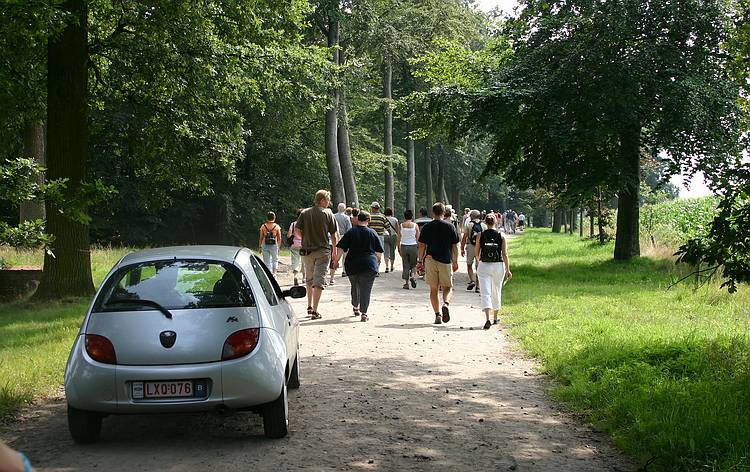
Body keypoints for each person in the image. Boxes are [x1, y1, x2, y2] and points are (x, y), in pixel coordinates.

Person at [295, 190, 338, 320]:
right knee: (319, 281)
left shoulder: (304, 213)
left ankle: (308, 306)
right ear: (322, 200)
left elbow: (297, 230)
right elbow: (334, 234)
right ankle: (315, 310)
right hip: (323, 251)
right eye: (328, 199)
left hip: (307, 251)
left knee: (309, 279)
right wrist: (335, 252)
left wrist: (305, 238)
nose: (329, 202)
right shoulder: (328, 213)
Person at [336, 211, 384, 322]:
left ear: (358, 219)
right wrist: (377, 261)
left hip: (352, 264)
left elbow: (342, 247)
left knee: (355, 285)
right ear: (368, 220)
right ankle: (364, 313)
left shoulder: (351, 232)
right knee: (366, 289)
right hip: (369, 265)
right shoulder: (372, 233)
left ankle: (355, 306)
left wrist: (336, 260)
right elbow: (378, 251)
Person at [417, 202, 460, 325]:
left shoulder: (427, 227)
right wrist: (455, 261)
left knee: (433, 289)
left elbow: (421, 245)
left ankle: (437, 315)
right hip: (446, 260)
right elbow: (454, 246)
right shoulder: (450, 227)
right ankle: (445, 303)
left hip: (430, 260)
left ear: (433, 212)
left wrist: (420, 261)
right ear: (444, 213)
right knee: (447, 287)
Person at [475, 213, 512, 329]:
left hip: (484, 265)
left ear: (485, 223)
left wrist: (480, 260)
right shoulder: (501, 235)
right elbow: (504, 254)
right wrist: (508, 269)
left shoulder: (480, 235)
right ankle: (495, 317)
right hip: (498, 265)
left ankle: (487, 318)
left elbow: (477, 254)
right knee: (496, 290)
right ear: (496, 222)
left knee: (485, 292)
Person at [461, 209, 484, 293]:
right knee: (479, 266)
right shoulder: (483, 225)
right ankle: (478, 286)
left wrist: (462, 248)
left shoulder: (469, 225)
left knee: (469, 265)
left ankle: (472, 280)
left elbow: (464, 237)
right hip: (480, 247)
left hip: (470, 246)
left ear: (472, 216)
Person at [330, 203, 353, 284]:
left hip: (334, 237)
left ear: (337, 208)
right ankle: (344, 270)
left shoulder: (333, 216)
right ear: (344, 209)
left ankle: (332, 274)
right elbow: (349, 230)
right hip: (344, 237)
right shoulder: (346, 218)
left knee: (334, 255)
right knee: (345, 255)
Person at [397, 209, 420, 290]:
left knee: (405, 264)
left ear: (404, 216)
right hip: (413, 246)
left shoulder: (401, 225)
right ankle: (413, 276)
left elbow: (399, 237)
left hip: (404, 246)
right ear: (412, 216)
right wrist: (418, 248)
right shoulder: (415, 225)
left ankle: (406, 283)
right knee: (414, 264)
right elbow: (418, 238)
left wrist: (398, 247)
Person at [367, 202, 388, 273]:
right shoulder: (382, 216)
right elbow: (387, 227)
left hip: (371, 236)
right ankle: (377, 269)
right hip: (380, 236)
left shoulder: (369, 216)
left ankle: (372, 268)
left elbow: (367, 226)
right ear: (378, 208)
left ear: (373, 208)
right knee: (379, 253)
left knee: (371, 252)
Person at [287, 209, 304, 286]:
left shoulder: (293, 224)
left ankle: (295, 276)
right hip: (304, 245)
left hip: (294, 245)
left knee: (295, 261)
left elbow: (288, 235)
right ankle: (304, 278)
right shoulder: (306, 224)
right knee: (304, 261)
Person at [383, 207, 400, 273]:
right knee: (392, 251)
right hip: (393, 236)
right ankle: (392, 266)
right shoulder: (395, 219)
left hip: (385, 236)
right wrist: (399, 237)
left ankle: (387, 266)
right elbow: (398, 229)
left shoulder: (383, 219)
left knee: (386, 251)